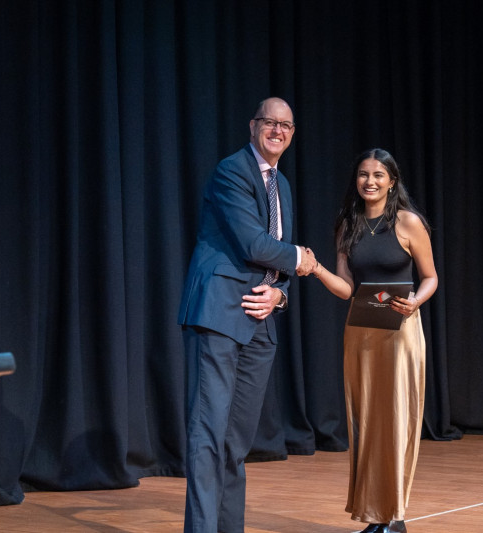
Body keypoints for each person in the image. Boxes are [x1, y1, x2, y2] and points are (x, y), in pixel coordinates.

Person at [178, 97, 317, 533]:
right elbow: (255, 244)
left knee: (236, 441)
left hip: (260, 321)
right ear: (253, 126)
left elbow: (276, 261)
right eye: (269, 122)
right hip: (219, 313)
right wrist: (302, 258)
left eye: (286, 126)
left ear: (292, 135)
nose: (277, 131)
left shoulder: (282, 185)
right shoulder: (232, 171)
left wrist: (280, 295)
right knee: (208, 433)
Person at [306, 148, 437, 533]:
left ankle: (394, 515)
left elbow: (430, 277)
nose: (370, 181)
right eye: (364, 174)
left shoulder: (408, 222)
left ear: (392, 181)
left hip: (400, 330)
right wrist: (316, 269)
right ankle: (374, 514)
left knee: (395, 420)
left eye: (379, 175)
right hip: (361, 330)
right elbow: (347, 288)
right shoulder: (348, 224)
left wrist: (415, 302)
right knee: (365, 422)